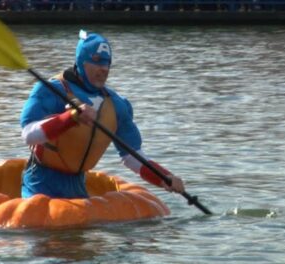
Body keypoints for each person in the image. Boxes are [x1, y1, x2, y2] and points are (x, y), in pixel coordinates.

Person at [20, 30, 185, 199]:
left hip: (77, 188)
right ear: (81, 61)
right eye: (98, 62)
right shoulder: (51, 90)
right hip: (39, 186)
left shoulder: (117, 105)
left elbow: (131, 156)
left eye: (107, 64)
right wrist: (70, 118)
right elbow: (28, 135)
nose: (104, 69)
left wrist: (164, 178)